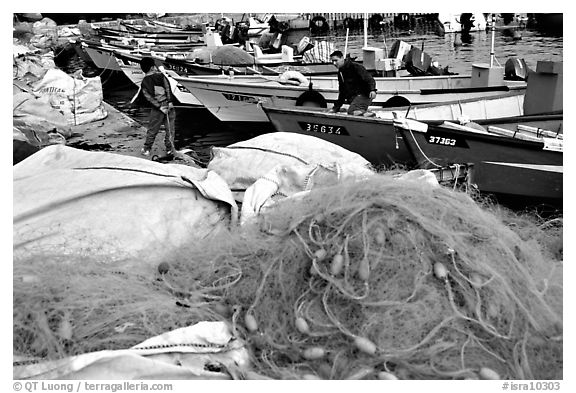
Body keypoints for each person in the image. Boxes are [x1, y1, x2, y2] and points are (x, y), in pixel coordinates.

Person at [139, 57, 176, 157]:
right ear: (152, 67)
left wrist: (159, 107)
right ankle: (170, 149)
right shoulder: (161, 76)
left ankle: (147, 148)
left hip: (158, 109)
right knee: (170, 129)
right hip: (168, 106)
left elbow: (148, 97)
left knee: (152, 129)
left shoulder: (144, 82)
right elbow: (168, 89)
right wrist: (170, 102)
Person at [329, 50, 377, 115]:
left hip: (364, 94)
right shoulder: (341, 73)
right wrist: (336, 108)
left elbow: (369, 79)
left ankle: (367, 115)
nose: (334, 63)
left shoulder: (356, 67)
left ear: (342, 58)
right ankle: (364, 113)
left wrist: (372, 90)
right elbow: (342, 92)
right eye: (332, 61)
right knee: (354, 110)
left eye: (336, 60)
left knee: (351, 112)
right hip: (355, 97)